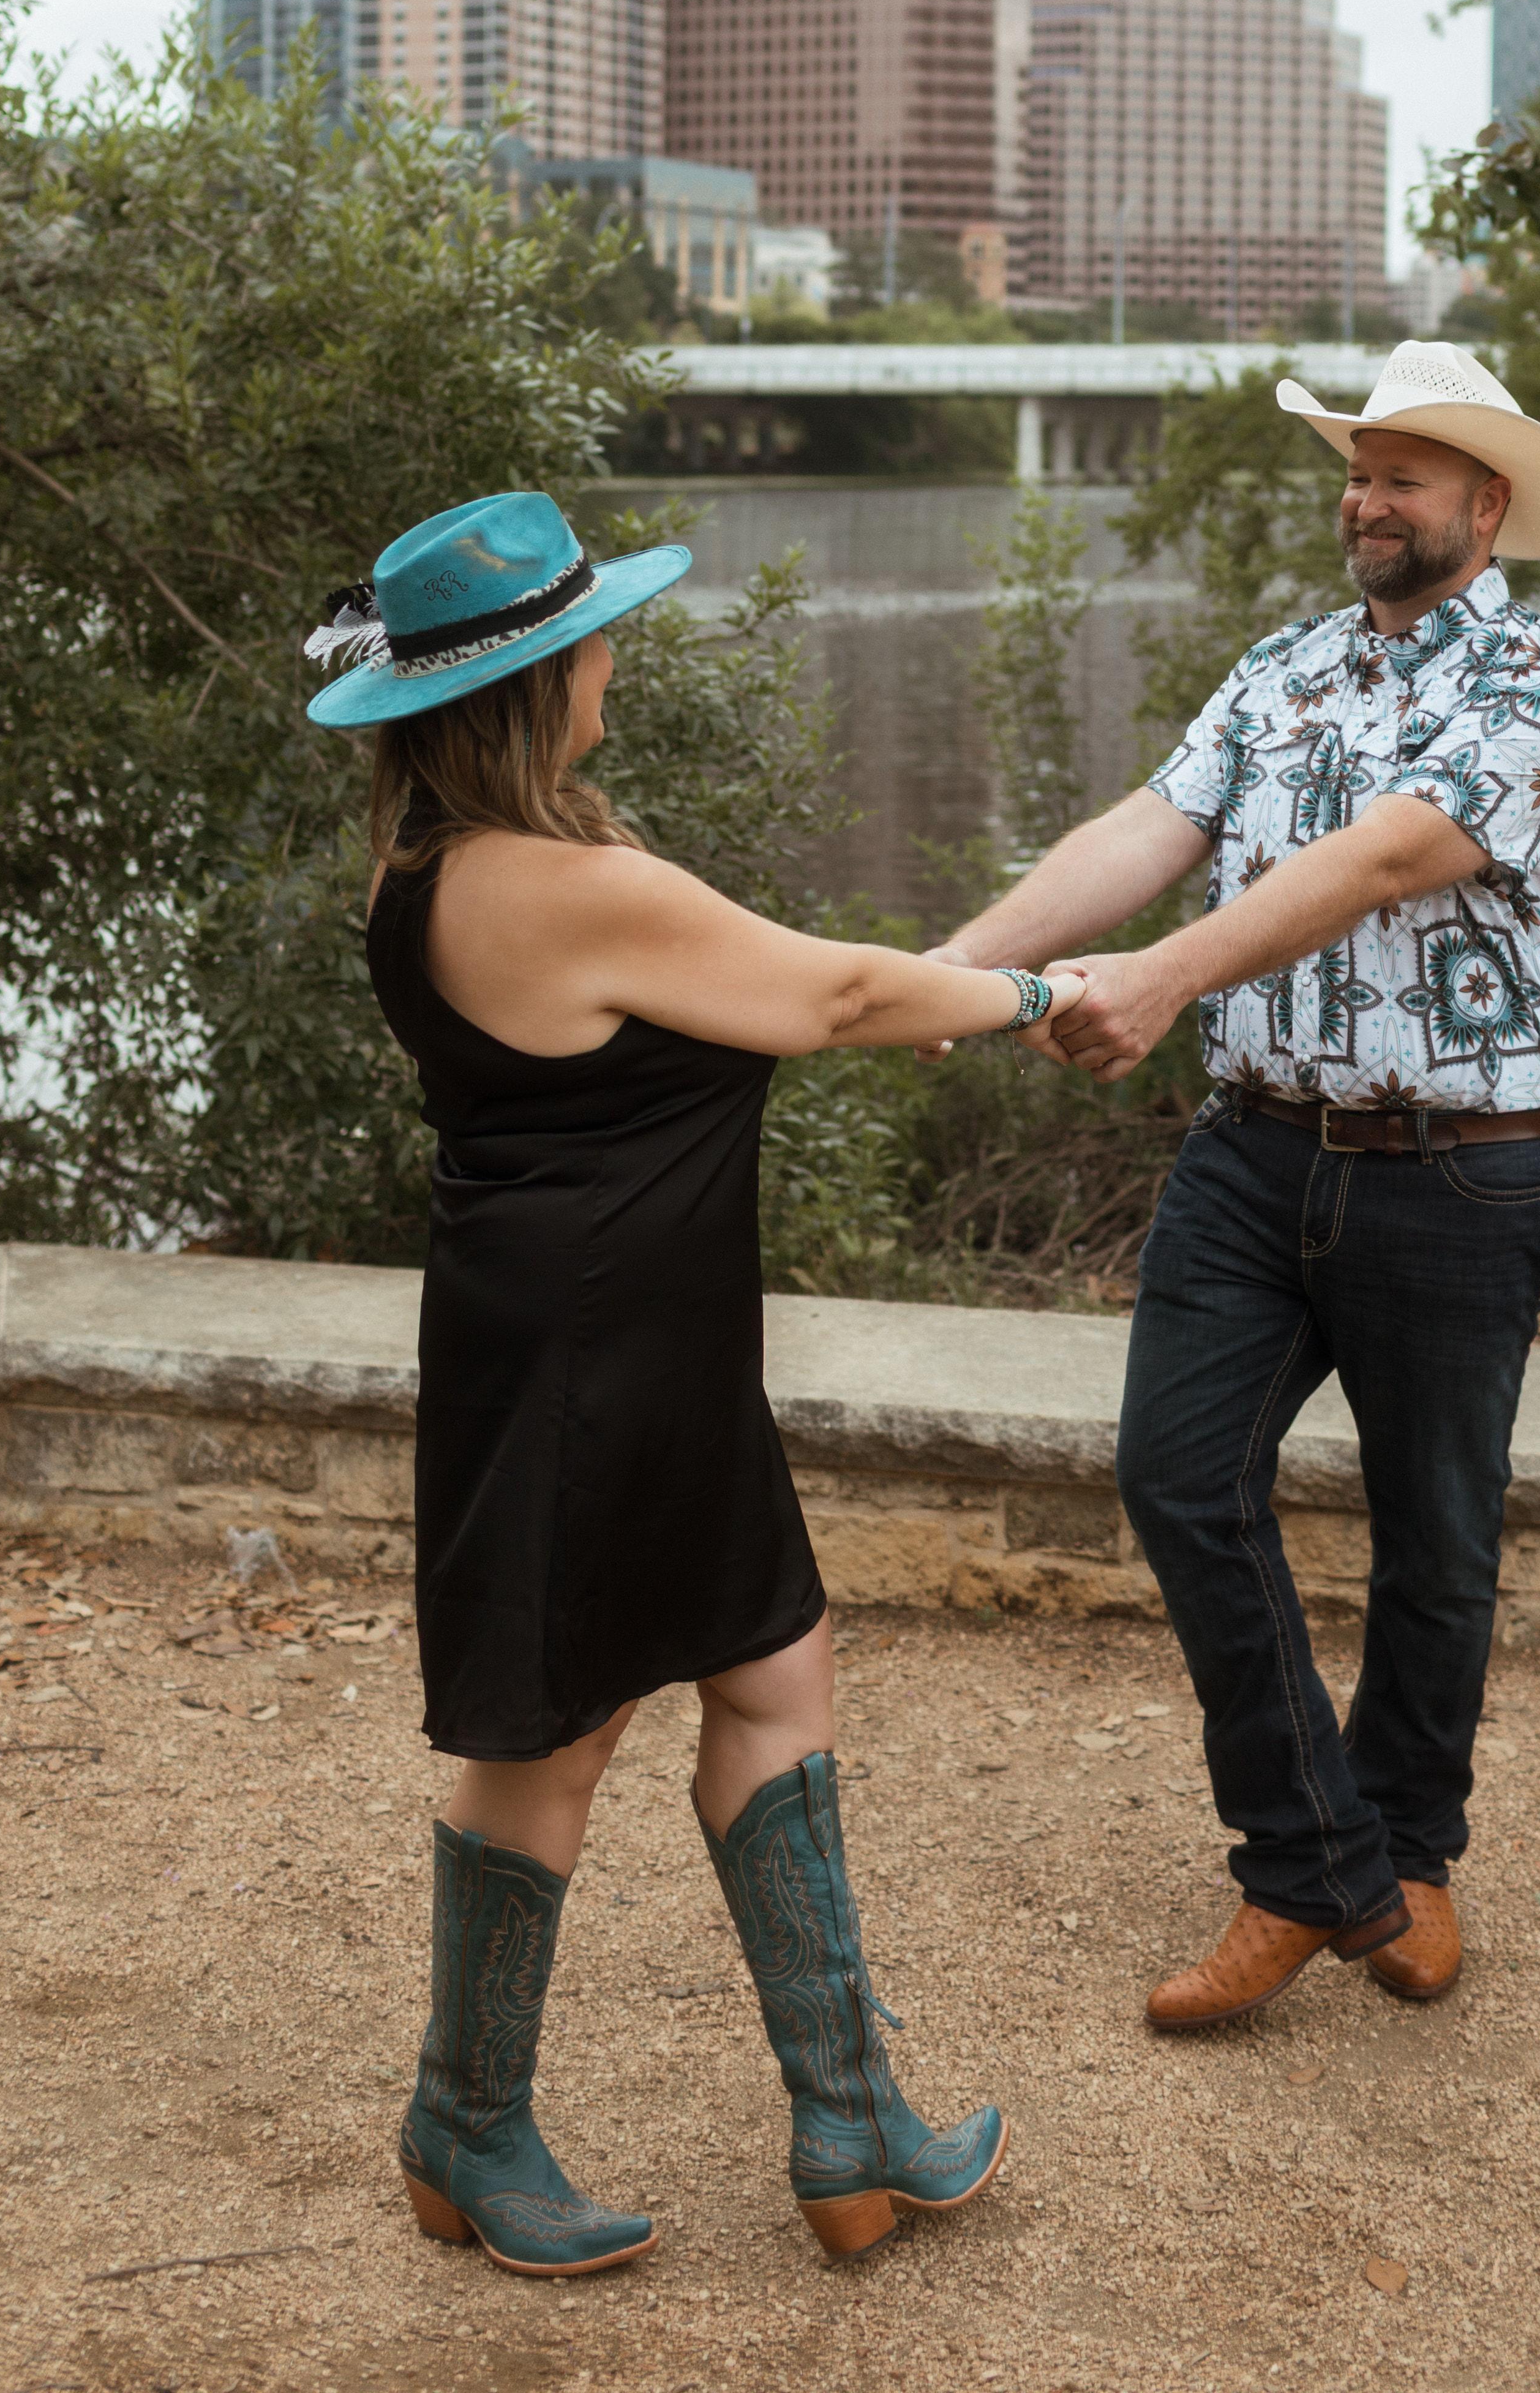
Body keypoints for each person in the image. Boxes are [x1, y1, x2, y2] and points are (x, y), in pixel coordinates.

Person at [308, 489, 1086, 2278]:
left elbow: (779, 1005)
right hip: (597, 1357)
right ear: (536, 678)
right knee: (559, 1735)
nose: (611, 663)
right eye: (593, 642)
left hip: (608, 1339)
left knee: (772, 1668)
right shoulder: (570, 886)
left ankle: (851, 2116)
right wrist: (1044, 990)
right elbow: (826, 1002)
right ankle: (468, 2125)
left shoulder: (428, 862)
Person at [928, 341, 1540, 2033]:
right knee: (1174, 1479)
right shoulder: (1285, 667)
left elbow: (1380, 858)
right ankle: (1316, 1861)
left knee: (1436, 1544)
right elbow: (1147, 828)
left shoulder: (1530, 686)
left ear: (1486, 503)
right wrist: (944, 973)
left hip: (1462, 1169)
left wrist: (1156, 982)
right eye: (1355, 471)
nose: (1368, 500)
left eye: (1404, 474)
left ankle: (1414, 1851)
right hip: (1253, 1152)